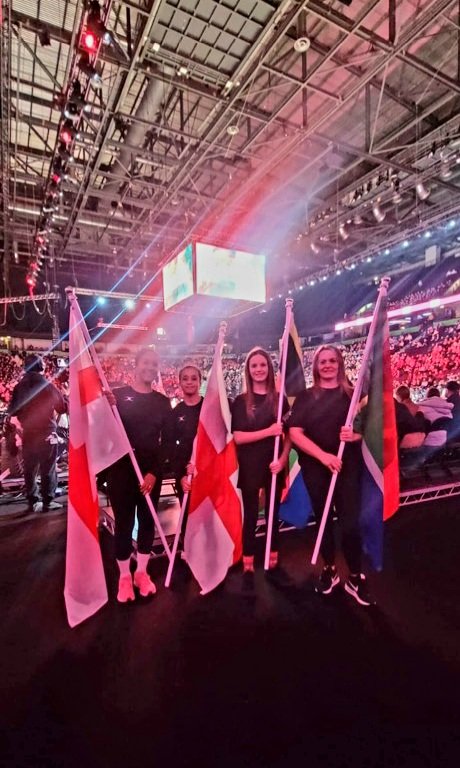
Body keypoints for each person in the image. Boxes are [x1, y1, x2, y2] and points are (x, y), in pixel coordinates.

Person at [289, 344, 370, 606]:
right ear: (316, 366)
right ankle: (330, 569)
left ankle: (356, 576)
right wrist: (323, 457)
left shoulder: (354, 394)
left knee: (350, 522)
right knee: (323, 521)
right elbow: (295, 433)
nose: (327, 365)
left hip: (348, 467)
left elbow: (372, 427)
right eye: (322, 361)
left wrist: (357, 434)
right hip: (317, 468)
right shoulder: (305, 397)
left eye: (332, 360)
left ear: (340, 363)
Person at [107, 348, 171, 603]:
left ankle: (141, 573)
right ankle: (124, 577)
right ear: (136, 365)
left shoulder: (162, 402)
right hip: (122, 470)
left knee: (147, 522)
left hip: (149, 473)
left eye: (154, 364)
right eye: (146, 362)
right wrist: (106, 407)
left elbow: (166, 442)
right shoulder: (117, 397)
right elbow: (103, 429)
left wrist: (155, 473)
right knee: (123, 523)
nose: (150, 367)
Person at [231, 347, 290, 573]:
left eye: (262, 365)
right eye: (254, 365)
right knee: (252, 514)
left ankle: (272, 552)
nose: (258, 369)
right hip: (250, 467)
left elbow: (289, 435)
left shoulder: (279, 398)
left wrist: (283, 459)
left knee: (273, 514)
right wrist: (269, 431)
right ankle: (248, 557)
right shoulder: (241, 401)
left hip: (274, 466)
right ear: (248, 369)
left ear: (269, 368)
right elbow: (238, 437)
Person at [8, 354, 66, 514]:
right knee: (48, 468)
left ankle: (33, 501)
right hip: (47, 432)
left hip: (28, 433)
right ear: (42, 367)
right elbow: (62, 408)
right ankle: (48, 501)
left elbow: (13, 409)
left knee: (30, 469)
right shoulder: (48, 385)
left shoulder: (19, 386)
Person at [166, 364, 203, 541]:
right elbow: (172, 449)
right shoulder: (175, 413)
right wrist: (180, 475)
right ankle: (189, 553)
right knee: (189, 517)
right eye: (185, 378)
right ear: (179, 382)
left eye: (194, 378)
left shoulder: (210, 408)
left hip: (208, 472)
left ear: (200, 381)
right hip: (186, 475)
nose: (189, 382)